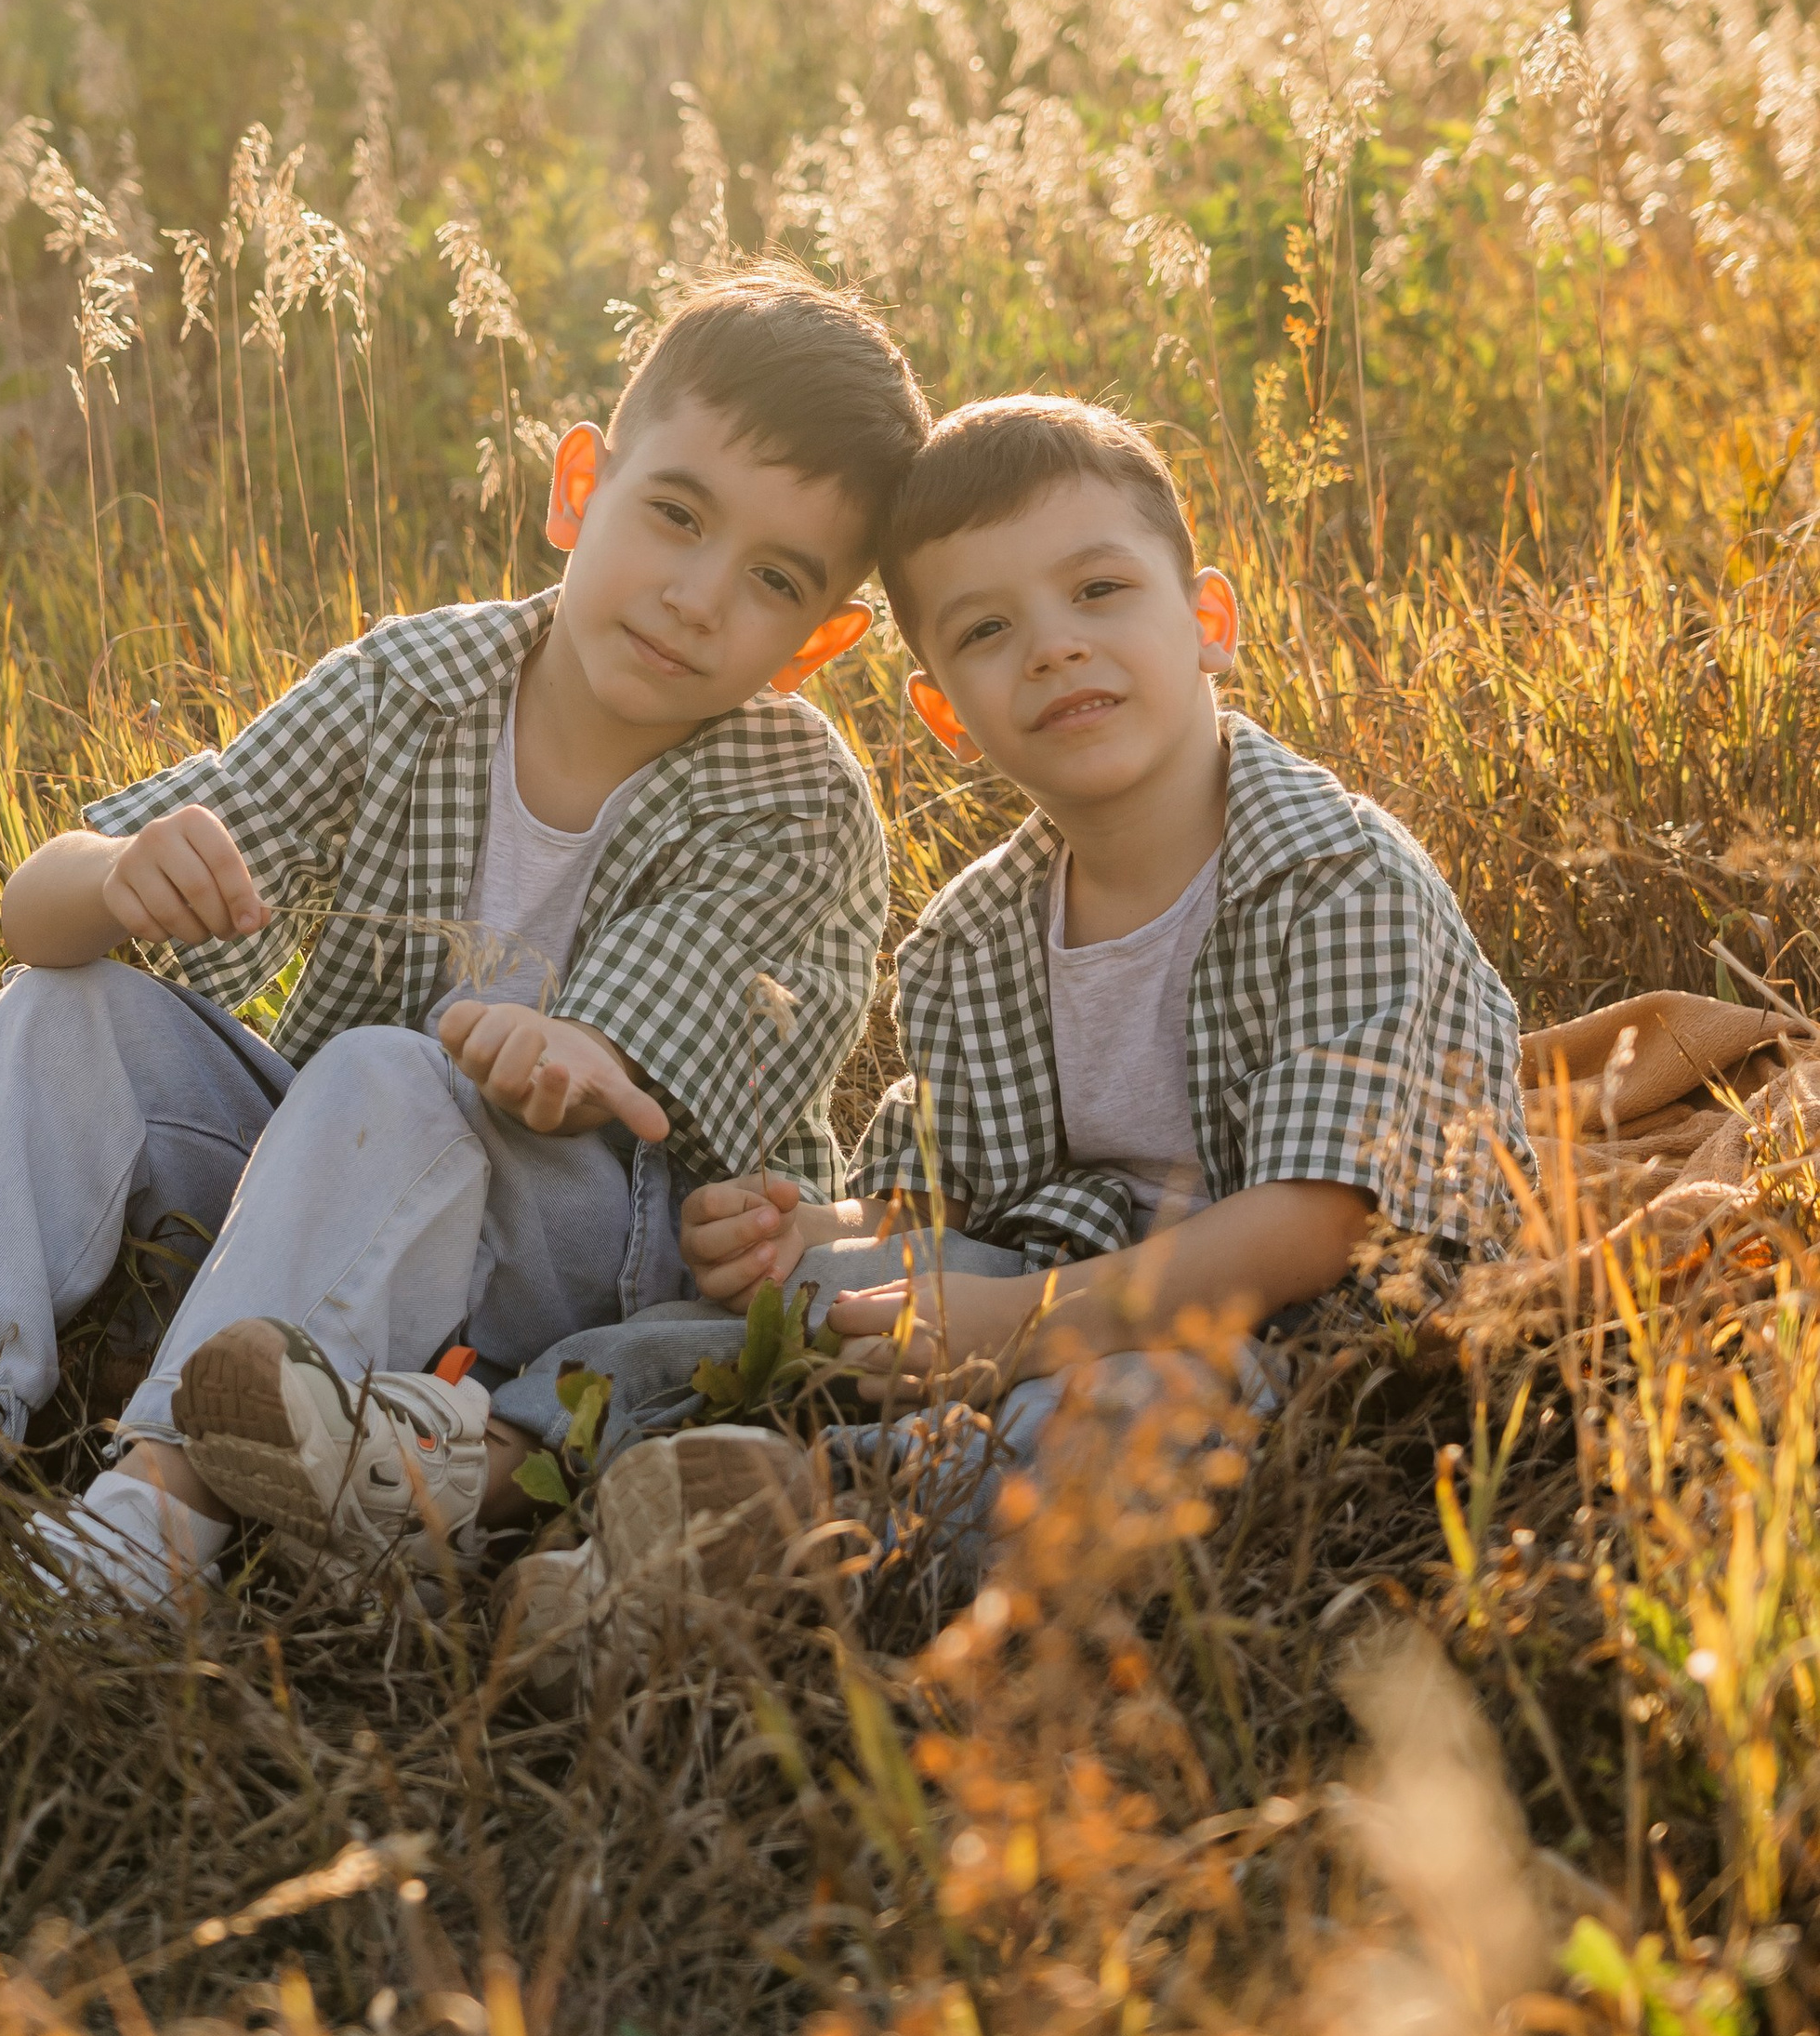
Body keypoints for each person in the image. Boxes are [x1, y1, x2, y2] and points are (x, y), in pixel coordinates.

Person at [0, 269, 929, 1672]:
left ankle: (147, 1529)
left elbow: (615, 1080)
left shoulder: (796, 798)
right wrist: (115, 879)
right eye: (677, 515)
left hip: (594, 1255)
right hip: (341, 1185)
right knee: (70, 1004)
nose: (699, 596)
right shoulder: (417, 683)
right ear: (580, 487)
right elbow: (32, 910)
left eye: (776, 580)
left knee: (395, 1068)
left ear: (822, 639)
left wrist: (578, 1054)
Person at [504, 391, 1524, 1616]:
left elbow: (1321, 1223)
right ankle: (484, 1468)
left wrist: (1018, 1321)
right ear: (947, 714)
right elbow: (939, 1202)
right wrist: (805, 1231)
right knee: (821, 1300)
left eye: (1099, 593)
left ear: (1206, 622)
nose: (1054, 646)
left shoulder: (1334, 874)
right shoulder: (974, 936)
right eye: (988, 630)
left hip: (1293, 1336)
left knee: (1130, 1408)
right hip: (1043, 1286)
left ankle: (794, 1560)